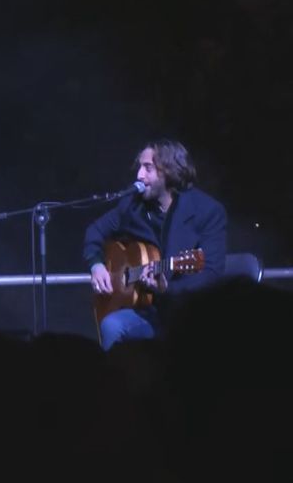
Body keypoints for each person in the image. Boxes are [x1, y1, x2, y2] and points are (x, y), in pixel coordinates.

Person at [84, 139, 227, 349]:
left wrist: (167, 289)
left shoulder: (207, 211)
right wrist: (96, 265)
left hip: (189, 311)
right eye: (140, 167)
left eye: (148, 168)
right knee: (112, 325)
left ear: (169, 170)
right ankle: (114, 379)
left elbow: (211, 272)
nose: (139, 176)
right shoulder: (132, 207)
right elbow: (94, 231)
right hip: (149, 311)